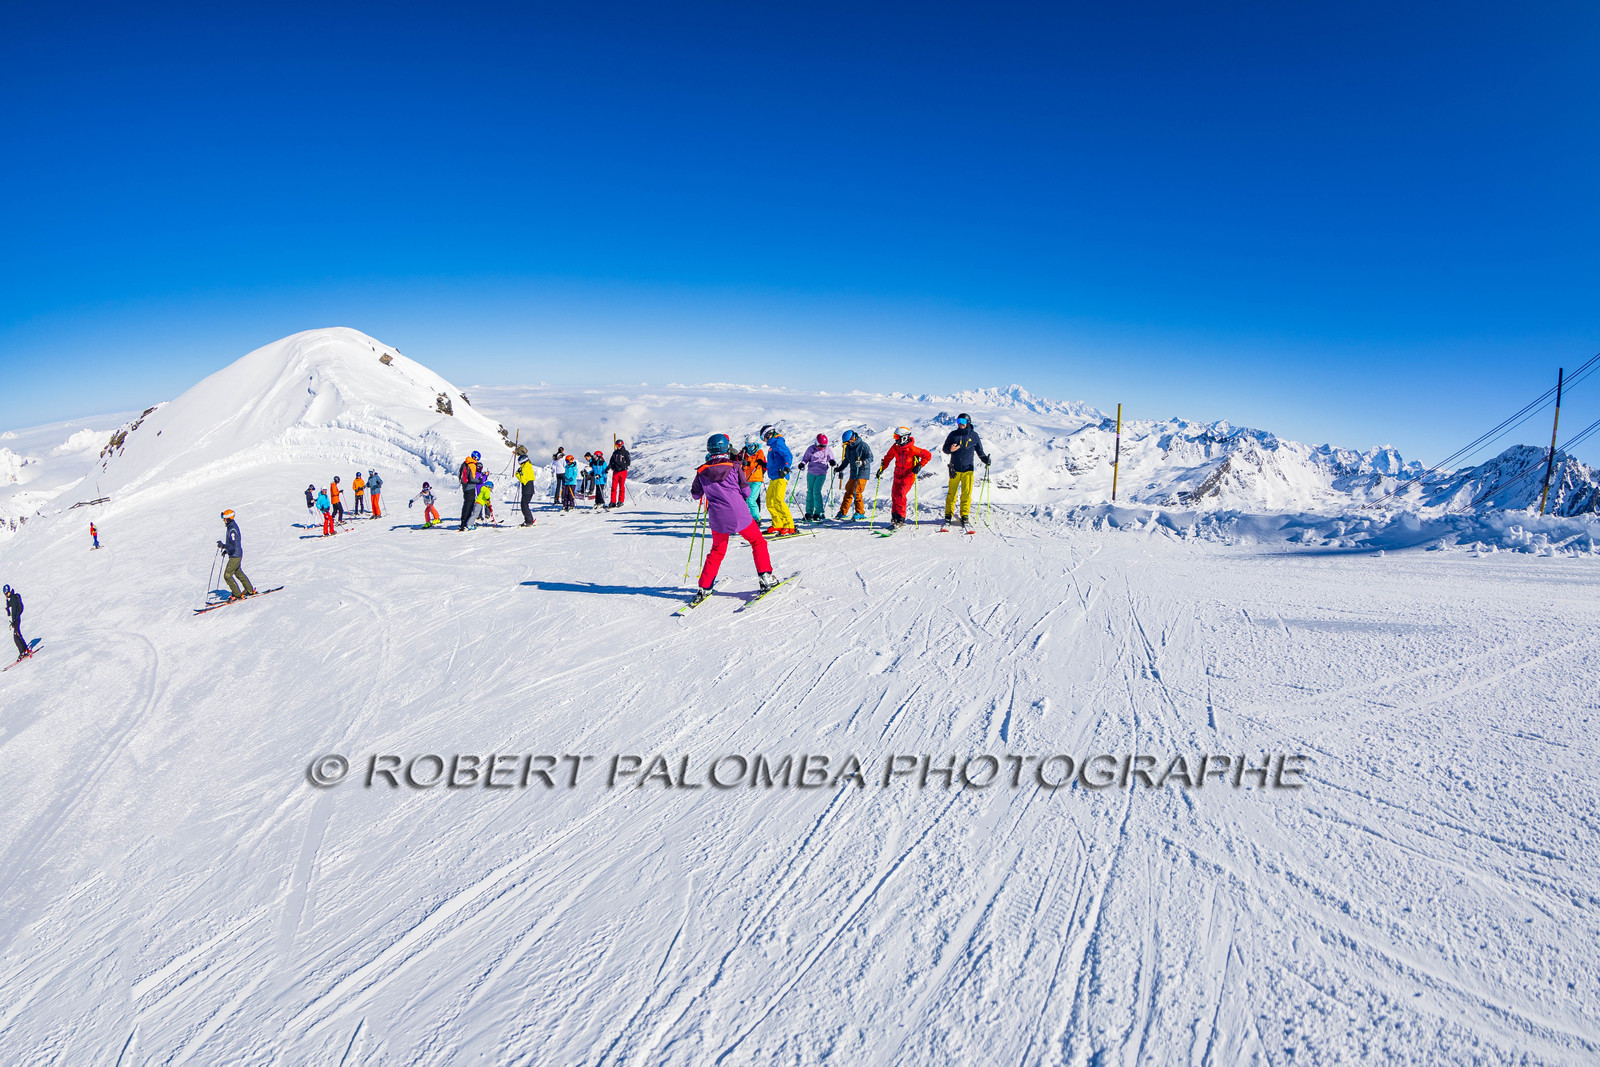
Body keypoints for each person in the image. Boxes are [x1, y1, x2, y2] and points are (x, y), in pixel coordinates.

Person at [688, 434, 777, 603]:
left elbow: (695, 495)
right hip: (740, 515)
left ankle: (704, 587)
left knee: (717, 550)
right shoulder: (735, 467)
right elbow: (746, 492)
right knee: (757, 542)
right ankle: (765, 577)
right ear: (726, 448)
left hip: (717, 518)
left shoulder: (701, 471)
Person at [940, 412, 991, 528]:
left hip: (968, 469)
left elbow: (980, 451)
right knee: (951, 493)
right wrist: (950, 449)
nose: (960, 424)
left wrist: (985, 460)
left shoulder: (974, 436)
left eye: (963, 422)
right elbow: (945, 449)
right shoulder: (953, 434)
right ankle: (948, 515)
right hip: (954, 469)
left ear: (968, 423)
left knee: (966, 494)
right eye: (958, 421)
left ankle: (965, 516)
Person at [877, 426, 932, 528]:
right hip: (897, 474)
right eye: (894, 436)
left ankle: (901, 518)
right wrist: (882, 468)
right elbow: (888, 457)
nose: (895, 439)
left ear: (904, 437)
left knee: (901, 495)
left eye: (897, 436)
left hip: (908, 475)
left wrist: (919, 465)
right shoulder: (895, 447)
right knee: (894, 496)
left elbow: (927, 455)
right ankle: (894, 517)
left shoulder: (912, 449)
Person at [761, 425, 797, 536]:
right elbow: (774, 462)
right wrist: (763, 464)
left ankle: (789, 526)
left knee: (778, 501)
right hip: (774, 477)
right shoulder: (772, 445)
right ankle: (778, 524)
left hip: (781, 476)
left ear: (768, 434)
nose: (764, 440)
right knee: (770, 502)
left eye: (763, 438)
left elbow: (788, 455)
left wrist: (786, 468)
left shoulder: (778, 443)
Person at [216, 510, 258, 599]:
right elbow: (233, 544)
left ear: (228, 519)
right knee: (238, 572)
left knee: (227, 575)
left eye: (224, 519)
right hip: (235, 554)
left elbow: (233, 544)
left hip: (235, 556)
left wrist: (223, 546)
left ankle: (236, 594)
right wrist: (227, 550)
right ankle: (249, 590)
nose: (223, 521)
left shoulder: (232, 529)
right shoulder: (231, 527)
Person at [798, 433, 837, 522]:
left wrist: (831, 461)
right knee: (810, 492)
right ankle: (809, 512)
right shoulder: (811, 449)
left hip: (821, 473)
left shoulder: (827, 450)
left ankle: (819, 512)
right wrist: (802, 464)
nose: (822, 448)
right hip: (811, 473)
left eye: (824, 446)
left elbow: (831, 458)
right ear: (816, 443)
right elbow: (805, 459)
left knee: (816, 491)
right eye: (820, 446)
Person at [835, 430, 873, 520]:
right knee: (848, 490)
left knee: (857, 491)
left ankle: (860, 512)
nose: (847, 444)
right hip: (853, 473)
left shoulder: (863, 445)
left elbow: (871, 458)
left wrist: (863, 462)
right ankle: (843, 512)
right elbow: (846, 460)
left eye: (848, 442)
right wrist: (840, 468)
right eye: (845, 443)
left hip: (863, 472)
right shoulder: (848, 448)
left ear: (853, 438)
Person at [741, 438, 767, 523]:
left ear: (755, 444)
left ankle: (757, 518)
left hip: (756, 479)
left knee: (751, 499)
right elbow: (739, 460)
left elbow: (759, 464)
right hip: (747, 479)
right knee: (747, 500)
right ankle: (749, 518)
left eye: (751, 445)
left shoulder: (759, 452)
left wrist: (748, 463)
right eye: (747, 445)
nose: (749, 447)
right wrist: (742, 452)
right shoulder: (745, 453)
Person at [457, 450, 482, 530]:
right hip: (470, 487)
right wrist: (479, 481)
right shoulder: (472, 465)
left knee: (466, 504)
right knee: (469, 505)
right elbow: (472, 479)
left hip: (465, 486)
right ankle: (466, 523)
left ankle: (463, 522)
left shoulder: (465, 463)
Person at [5, 584, 28, 660]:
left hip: (16, 619)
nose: (5, 596)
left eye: (5, 594)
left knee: (16, 636)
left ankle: (22, 652)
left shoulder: (13, 598)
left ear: (7, 592)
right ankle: (25, 649)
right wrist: (8, 606)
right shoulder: (12, 598)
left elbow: (14, 610)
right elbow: (12, 607)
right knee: (17, 634)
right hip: (16, 618)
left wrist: (14, 621)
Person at [607, 440, 631, 508]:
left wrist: (622, 467)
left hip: (622, 471)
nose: (618, 447)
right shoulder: (615, 453)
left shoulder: (625, 453)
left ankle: (620, 501)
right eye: (617, 445)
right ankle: (613, 501)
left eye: (619, 445)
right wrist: (608, 468)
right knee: (614, 487)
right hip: (615, 471)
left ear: (622, 445)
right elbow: (611, 462)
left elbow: (628, 463)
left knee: (621, 486)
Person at [515, 451, 537, 526]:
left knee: (524, 505)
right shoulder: (528, 467)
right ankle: (529, 520)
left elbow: (523, 480)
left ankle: (529, 520)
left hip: (527, 488)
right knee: (525, 505)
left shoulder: (525, 469)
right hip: (529, 488)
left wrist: (517, 474)